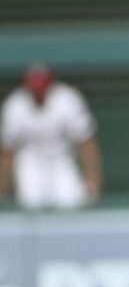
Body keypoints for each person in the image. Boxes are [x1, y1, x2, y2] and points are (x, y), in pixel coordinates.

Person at [0, 64, 102, 209]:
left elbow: (86, 142)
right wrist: (3, 187)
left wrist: (92, 178)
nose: (38, 92)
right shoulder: (15, 106)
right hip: (31, 163)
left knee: (70, 202)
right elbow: (7, 151)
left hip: (61, 162)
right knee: (31, 205)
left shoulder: (67, 100)